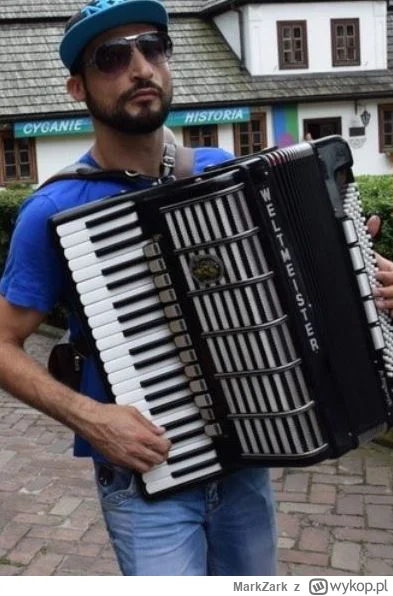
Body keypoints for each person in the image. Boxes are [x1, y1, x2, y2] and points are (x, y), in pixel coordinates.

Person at [0, 0, 277, 576]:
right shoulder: (53, 210)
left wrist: (359, 276)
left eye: (152, 48)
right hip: (145, 475)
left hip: (249, 456)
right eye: (112, 57)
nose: (140, 67)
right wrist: (90, 418)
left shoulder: (221, 170)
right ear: (77, 87)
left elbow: (279, 285)